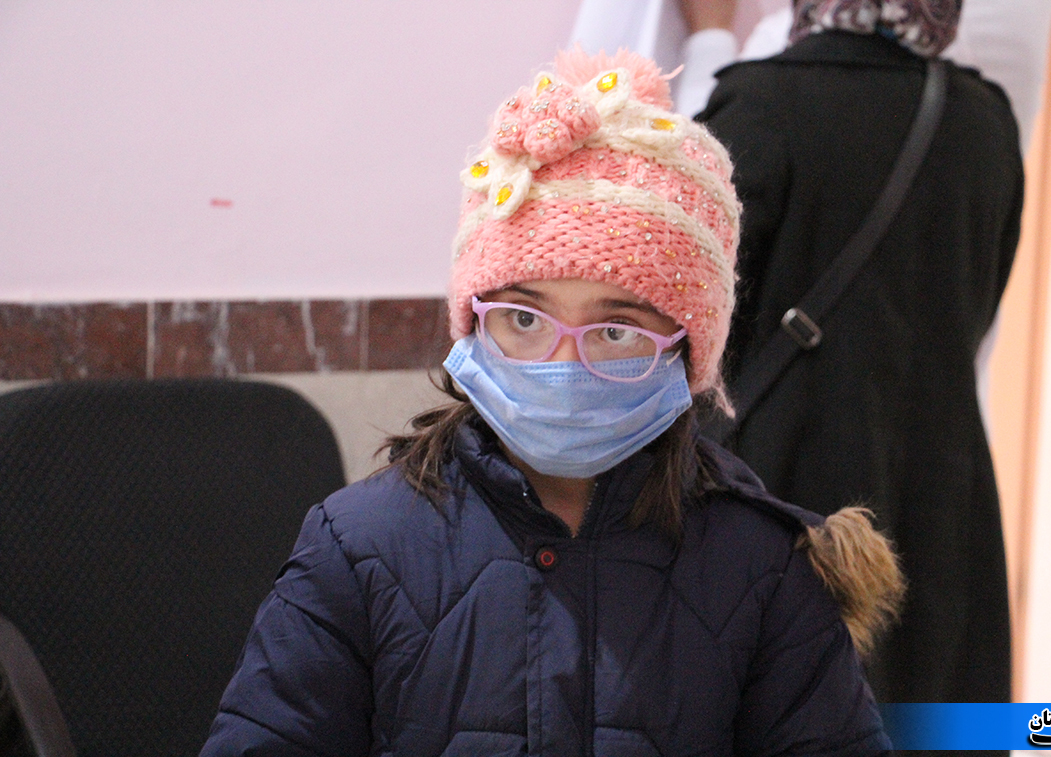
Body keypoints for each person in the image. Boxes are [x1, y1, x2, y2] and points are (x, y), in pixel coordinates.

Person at [199, 48, 904, 756]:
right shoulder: (361, 547)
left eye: (616, 331)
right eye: (524, 318)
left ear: (686, 351)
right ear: (473, 324)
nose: (563, 365)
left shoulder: (761, 567)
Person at [680, 0, 1024, 714]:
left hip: (785, 495)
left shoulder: (761, 102)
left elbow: (692, 309)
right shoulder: (984, 121)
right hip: (943, 502)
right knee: (924, 718)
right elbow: (981, 304)